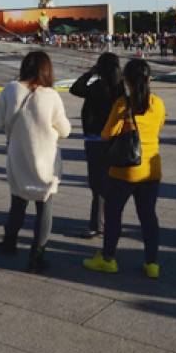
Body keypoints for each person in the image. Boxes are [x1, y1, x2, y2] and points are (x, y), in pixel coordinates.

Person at [83, 58, 166, 278]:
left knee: (113, 214)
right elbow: (159, 125)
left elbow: (107, 134)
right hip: (151, 168)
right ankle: (152, 263)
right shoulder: (157, 103)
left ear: (127, 81)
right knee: (148, 216)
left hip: (125, 170)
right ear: (149, 79)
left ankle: (108, 258)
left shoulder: (123, 105)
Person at [0, 51, 71, 272]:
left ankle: (9, 243)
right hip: (46, 161)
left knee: (18, 201)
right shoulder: (52, 96)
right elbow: (65, 131)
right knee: (45, 206)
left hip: (18, 158)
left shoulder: (9, 89)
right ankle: (37, 256)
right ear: (47, 70)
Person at [69, 52, 124, 239]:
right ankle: (108, 222)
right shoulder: (120, 88)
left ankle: (98, 225)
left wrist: (89, 73)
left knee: (97, 184)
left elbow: (75, 89)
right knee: (109, 183)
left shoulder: (97, 86)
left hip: (94, 140)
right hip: (114, 140)